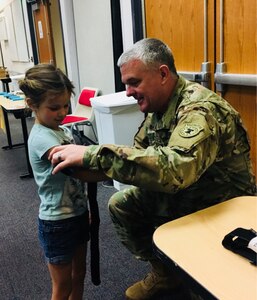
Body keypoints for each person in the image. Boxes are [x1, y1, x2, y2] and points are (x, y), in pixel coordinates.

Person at [48, 38, 256, 300]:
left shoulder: (199, 109)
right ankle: (166, 275)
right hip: (190, 191)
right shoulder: (159, 109)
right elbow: (138, 160)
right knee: (122, 204)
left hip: (224, 203)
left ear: (163, 74)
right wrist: (78, 166)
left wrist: (94, 154)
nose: (128, 92)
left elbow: (175, 170)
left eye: (134, 82)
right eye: (126, 84)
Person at [19, 64, 98, 300]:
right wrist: (119, 171)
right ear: (32, 105)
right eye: (54, 107)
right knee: (62, 286)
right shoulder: (42, 139)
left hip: (77, 215)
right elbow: (79, 172)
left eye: (65, 105)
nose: (62, 112)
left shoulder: (60, 130)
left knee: (79, 275)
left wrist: (84, 207)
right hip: (57, 223)